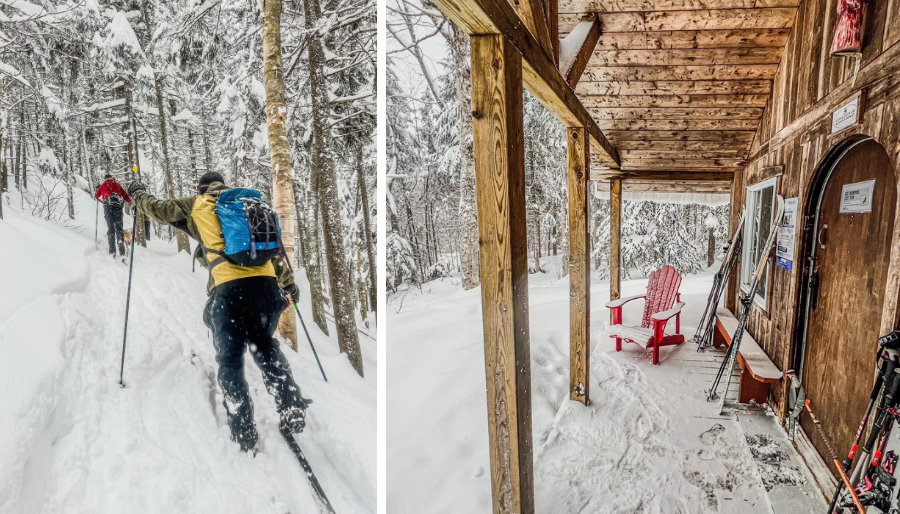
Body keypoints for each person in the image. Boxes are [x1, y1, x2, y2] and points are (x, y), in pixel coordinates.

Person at [126, 172, 310, 453]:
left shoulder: (196, 204)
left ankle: (244, 429)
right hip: (267, 289)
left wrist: (138, 194)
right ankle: (290, 403)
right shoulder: (249, 205)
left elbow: (157, 210)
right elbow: (271, 253)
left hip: (229, 292)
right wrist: (288, 286)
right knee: (264, 344)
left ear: (200, 187)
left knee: (231, 359)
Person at [94, 174, 131, 257]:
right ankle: (122, 250)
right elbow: (126, 196)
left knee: (111, 229)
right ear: (112, 178)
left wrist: (97, 189)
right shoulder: (117, 185)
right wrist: (130, 201)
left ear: (105, 179)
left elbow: (96, 196)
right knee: (119, 228)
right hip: (118, 208)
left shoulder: (103, 185)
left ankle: (112, 252)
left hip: (108, 209)